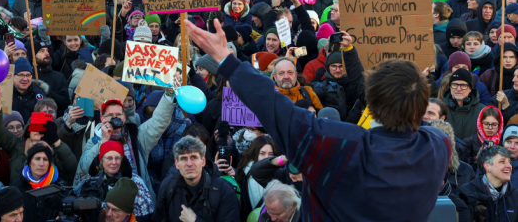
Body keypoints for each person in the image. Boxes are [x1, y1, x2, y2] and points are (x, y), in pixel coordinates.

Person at [184, 18, 451, 221]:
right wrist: (414, 86)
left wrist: (226, 60)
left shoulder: (342, 146)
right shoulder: (439, 145)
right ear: (422, 105)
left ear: (373, 101)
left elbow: (275, 107)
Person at [78, 94, 177, 200]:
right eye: (110, 115)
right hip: (105, 200)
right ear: (102, 118)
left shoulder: (137, 137)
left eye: (118, 114)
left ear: (124, 118)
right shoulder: (94, 141)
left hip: (136, 199)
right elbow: (85, 166)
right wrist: (104, 141)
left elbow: (159, 121)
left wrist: (168, 95)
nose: (114, 118)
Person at [153, 136, 240, 222]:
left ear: (203, 161)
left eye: (193, 157)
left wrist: (195, 220)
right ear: (176, 164)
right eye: (183, 158)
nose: (189, 164)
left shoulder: (223, 190)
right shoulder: (167, 185)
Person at [75, 140, 154, 221]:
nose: (114, 162)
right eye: (109, 158)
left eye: (117, 158)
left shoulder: (136, 183)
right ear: (101, 160)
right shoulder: (90, 183)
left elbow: (146, 214)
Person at [11, 143, 66, 222]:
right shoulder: (16, 187)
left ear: (49, 163)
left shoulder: (61, 186)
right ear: (29, 162)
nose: (41, 164)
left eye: (45, 159)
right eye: (37, 159)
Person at [461, 146, 518, 220]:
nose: (509, 166)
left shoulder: (516, 195)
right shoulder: (466, 192)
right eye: (502, 161)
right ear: (487, 166)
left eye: (509, 162)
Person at [443, 68, 487, 140]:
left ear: (470, 89)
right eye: (455, 84)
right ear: (450, 87)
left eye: (463, 85)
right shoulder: (440, 108)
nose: (458, 89)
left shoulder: (482, 111)